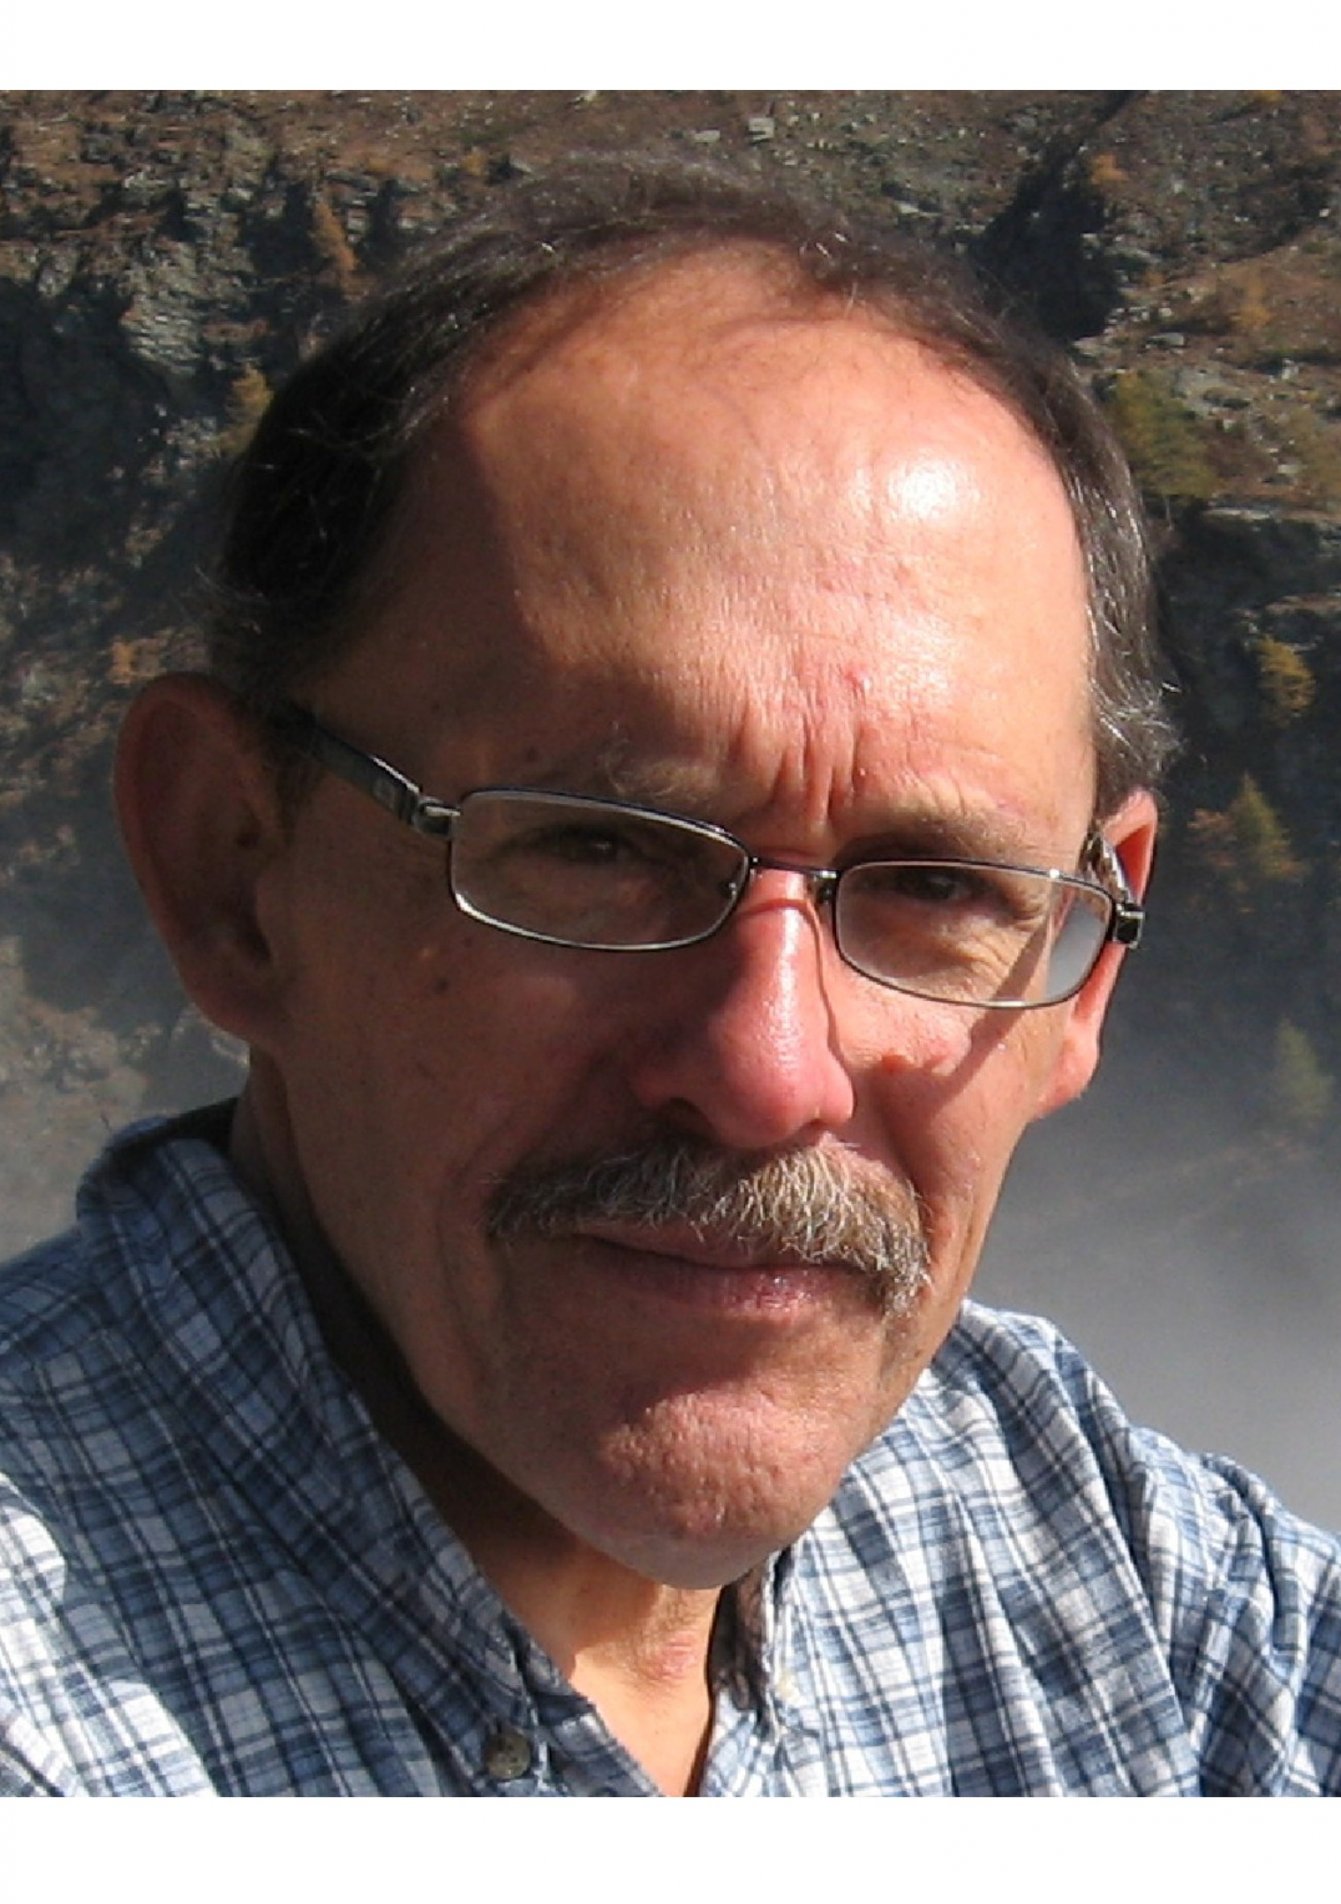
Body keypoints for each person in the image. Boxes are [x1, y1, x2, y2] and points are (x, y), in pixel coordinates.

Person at [1, 156, 1338, 1799]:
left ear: (1077, 981)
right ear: (233, 874)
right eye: (597, 847)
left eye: (935, 887)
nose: (766, 1070)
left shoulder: (1097, 1568)